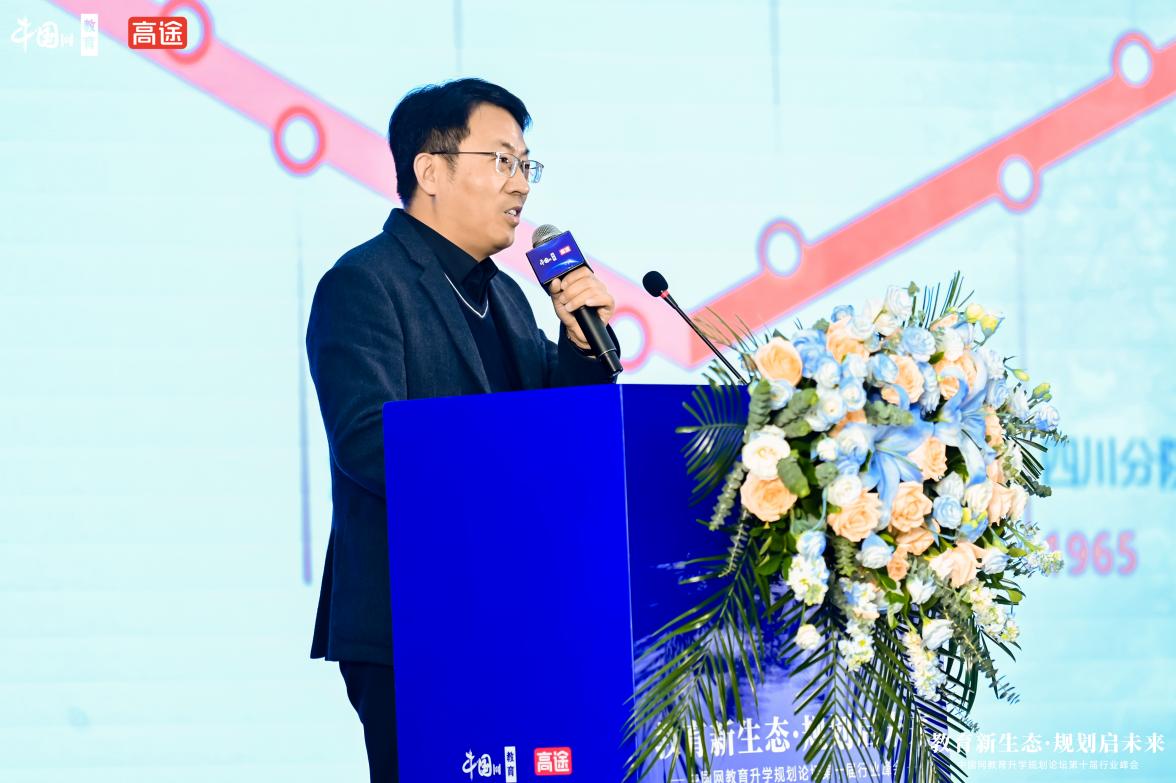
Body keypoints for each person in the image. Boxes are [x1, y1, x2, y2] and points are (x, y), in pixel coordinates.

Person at [304, 77, 620, 783]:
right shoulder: (364, 283)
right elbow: (368, 442)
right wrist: (512, 467)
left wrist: (580, 345)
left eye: (527, 164)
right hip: (416, 621)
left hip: (516, 611)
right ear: (430, 170)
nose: (521, 184)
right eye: (502, 160)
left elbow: (559, 431)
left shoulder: (505, 293)